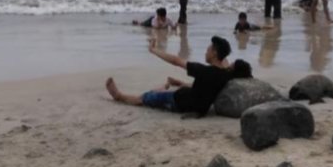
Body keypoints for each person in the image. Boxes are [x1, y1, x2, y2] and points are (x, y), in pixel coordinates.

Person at [105, 36, 252, 116]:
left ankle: (119, 96)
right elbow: (225, 62)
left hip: (179, 102)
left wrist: (153, 50)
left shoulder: (203, 71)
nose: (206, 52)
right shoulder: (225, 75)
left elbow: (176, 60)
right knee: (165, 91)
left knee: (145, 98)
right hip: (198, 105)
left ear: (214, 53)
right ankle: (168, 85)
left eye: (208, 49)